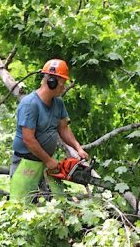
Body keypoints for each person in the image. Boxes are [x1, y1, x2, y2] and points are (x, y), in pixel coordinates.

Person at [9, 59, 88, 202]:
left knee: (57, 202)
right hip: (26, 162)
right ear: (52, 82)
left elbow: (63, 128)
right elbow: (28, 139)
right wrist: (49, 160)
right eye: (62, 84)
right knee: (21, 206)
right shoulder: (30, 104)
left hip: (46, 163)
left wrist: (78, 148)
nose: (63, 88)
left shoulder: (58, 103)